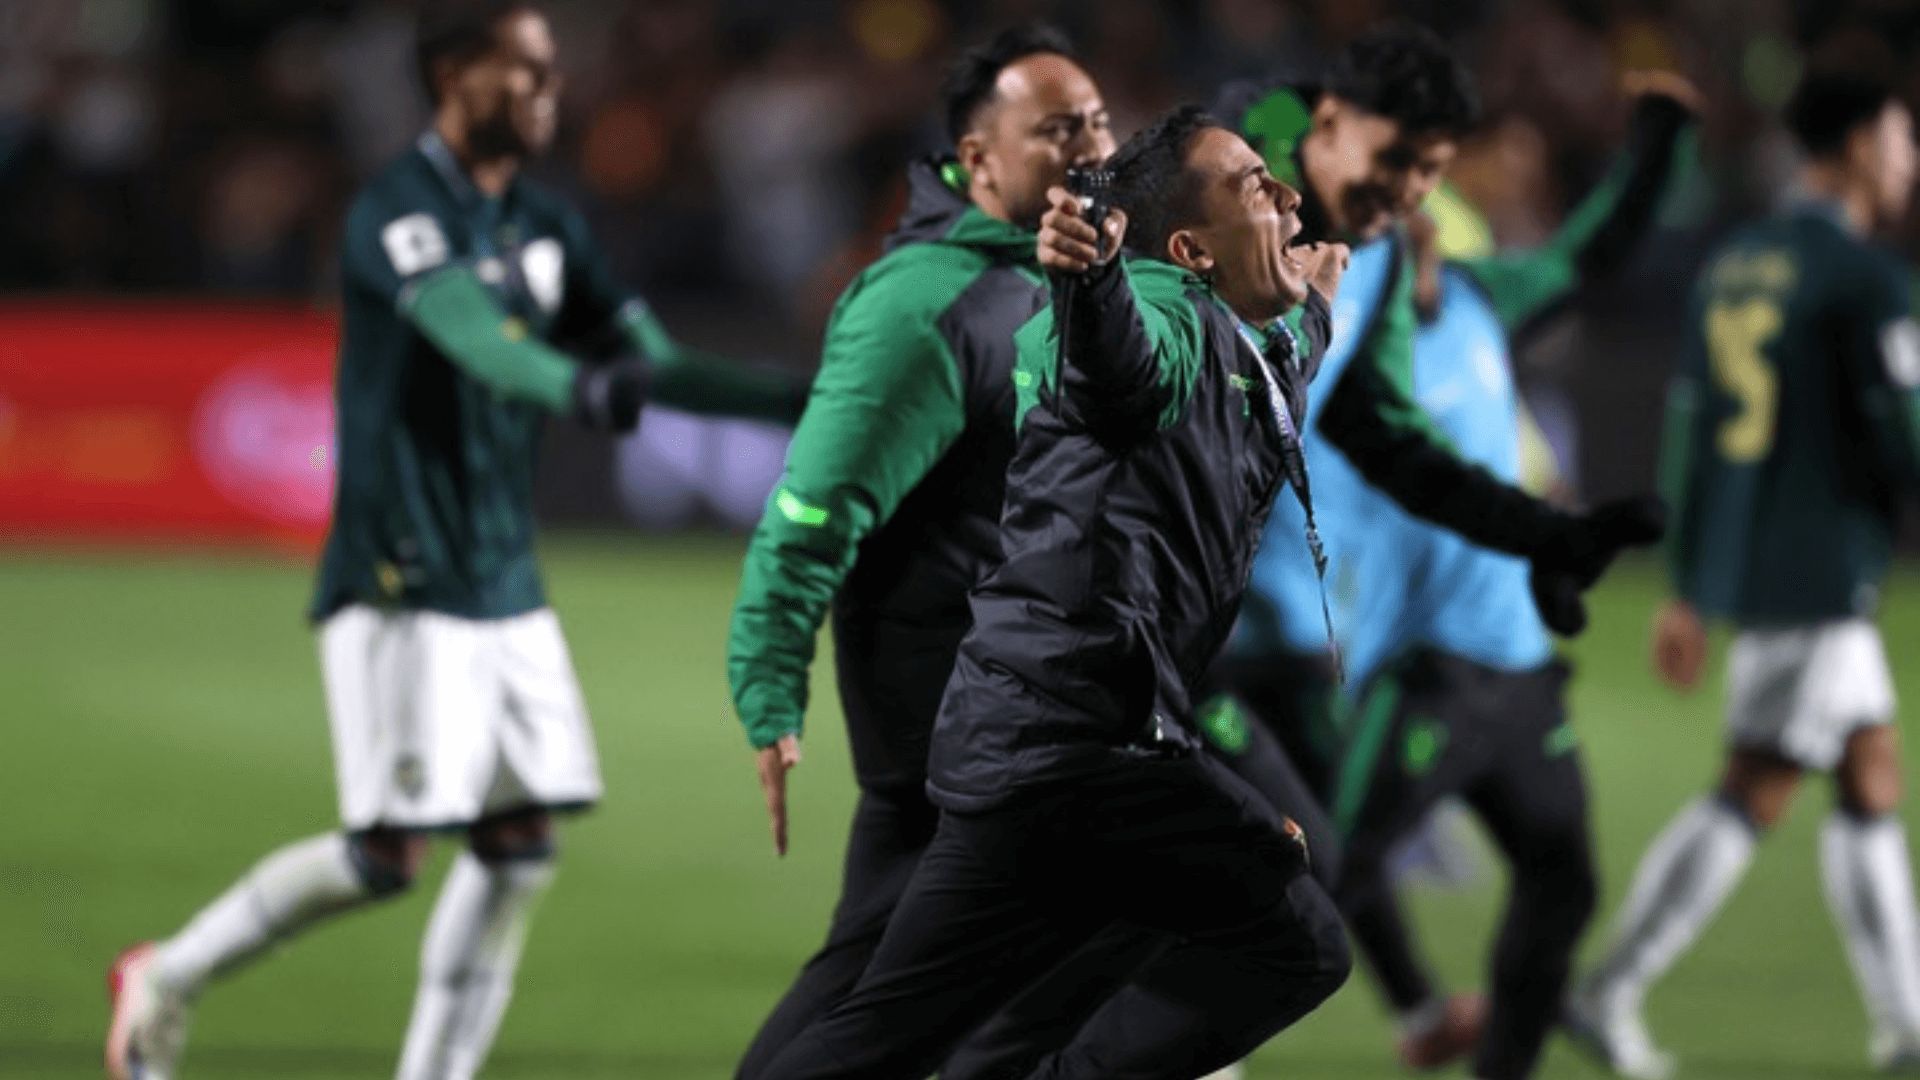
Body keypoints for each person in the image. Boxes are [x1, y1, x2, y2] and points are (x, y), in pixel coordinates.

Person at [104, 5, 804, 1079]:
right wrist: (580, 383)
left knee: (522, 845)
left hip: (502, 574)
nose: (542, 91)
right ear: (448, 76)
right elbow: (478, 343)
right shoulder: (399, 209)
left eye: (549, 73)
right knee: (385, 857)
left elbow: (653, 361)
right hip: (402, 574)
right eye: (518, 70)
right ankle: (168, 974)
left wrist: (809, 399)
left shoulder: (543, 222)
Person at [755, 105, 1347, 1079]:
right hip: (1091, 755)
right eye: (1254, 184)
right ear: (1190, 249)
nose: (1287, 196)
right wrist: (1092, 278)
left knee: (880, 1042)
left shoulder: (1231, 339)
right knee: (1299, 934)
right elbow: (1122, 364)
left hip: (1025, 744)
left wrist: (1313, 307)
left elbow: (1270, 363)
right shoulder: (1162, 318)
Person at [724, 26, 1121, 1076]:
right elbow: (810, 516)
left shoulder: (1075, 280)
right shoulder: (924, 305)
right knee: (892, 1007)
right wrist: (770, 691)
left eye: (1097, 120)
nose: (1091, 146)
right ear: (978, 156)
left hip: (1042, 718)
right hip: (959, 736)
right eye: (1056, 128)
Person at [1305, 73, 1700, 1080]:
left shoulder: (1485, 303)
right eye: (1412, 215)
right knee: (1311, 885)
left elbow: (1590, 256)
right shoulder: (1344, 338)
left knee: (1562, 882)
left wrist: (1654, 142)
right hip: (1417, 666)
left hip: (1519, 670)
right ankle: (1151, 1040)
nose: (1430, 231)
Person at [1567, 68, 1920, 1080]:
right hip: (1821, 567)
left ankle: (1906, 1027)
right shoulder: (1862, 276)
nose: (1909, 157)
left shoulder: (1738, 262)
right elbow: (1904, 438)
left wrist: (1685, 579)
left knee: (1868, 768)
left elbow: (1696, 432)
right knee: (1757, 787)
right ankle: (1609, 988)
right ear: (1856, 145)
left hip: (1763, 561)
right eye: (1900, 136)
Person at [1208, 25, 1666, 803]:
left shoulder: (1378, 262)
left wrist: (1544, 533)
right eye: (1393, 159)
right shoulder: (1222, 199)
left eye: (1429, 171)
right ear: (1324, 125)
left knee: (1300, 891)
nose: (1409, 190)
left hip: (1288, 635)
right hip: (1154, 626)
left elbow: (1391, 440)